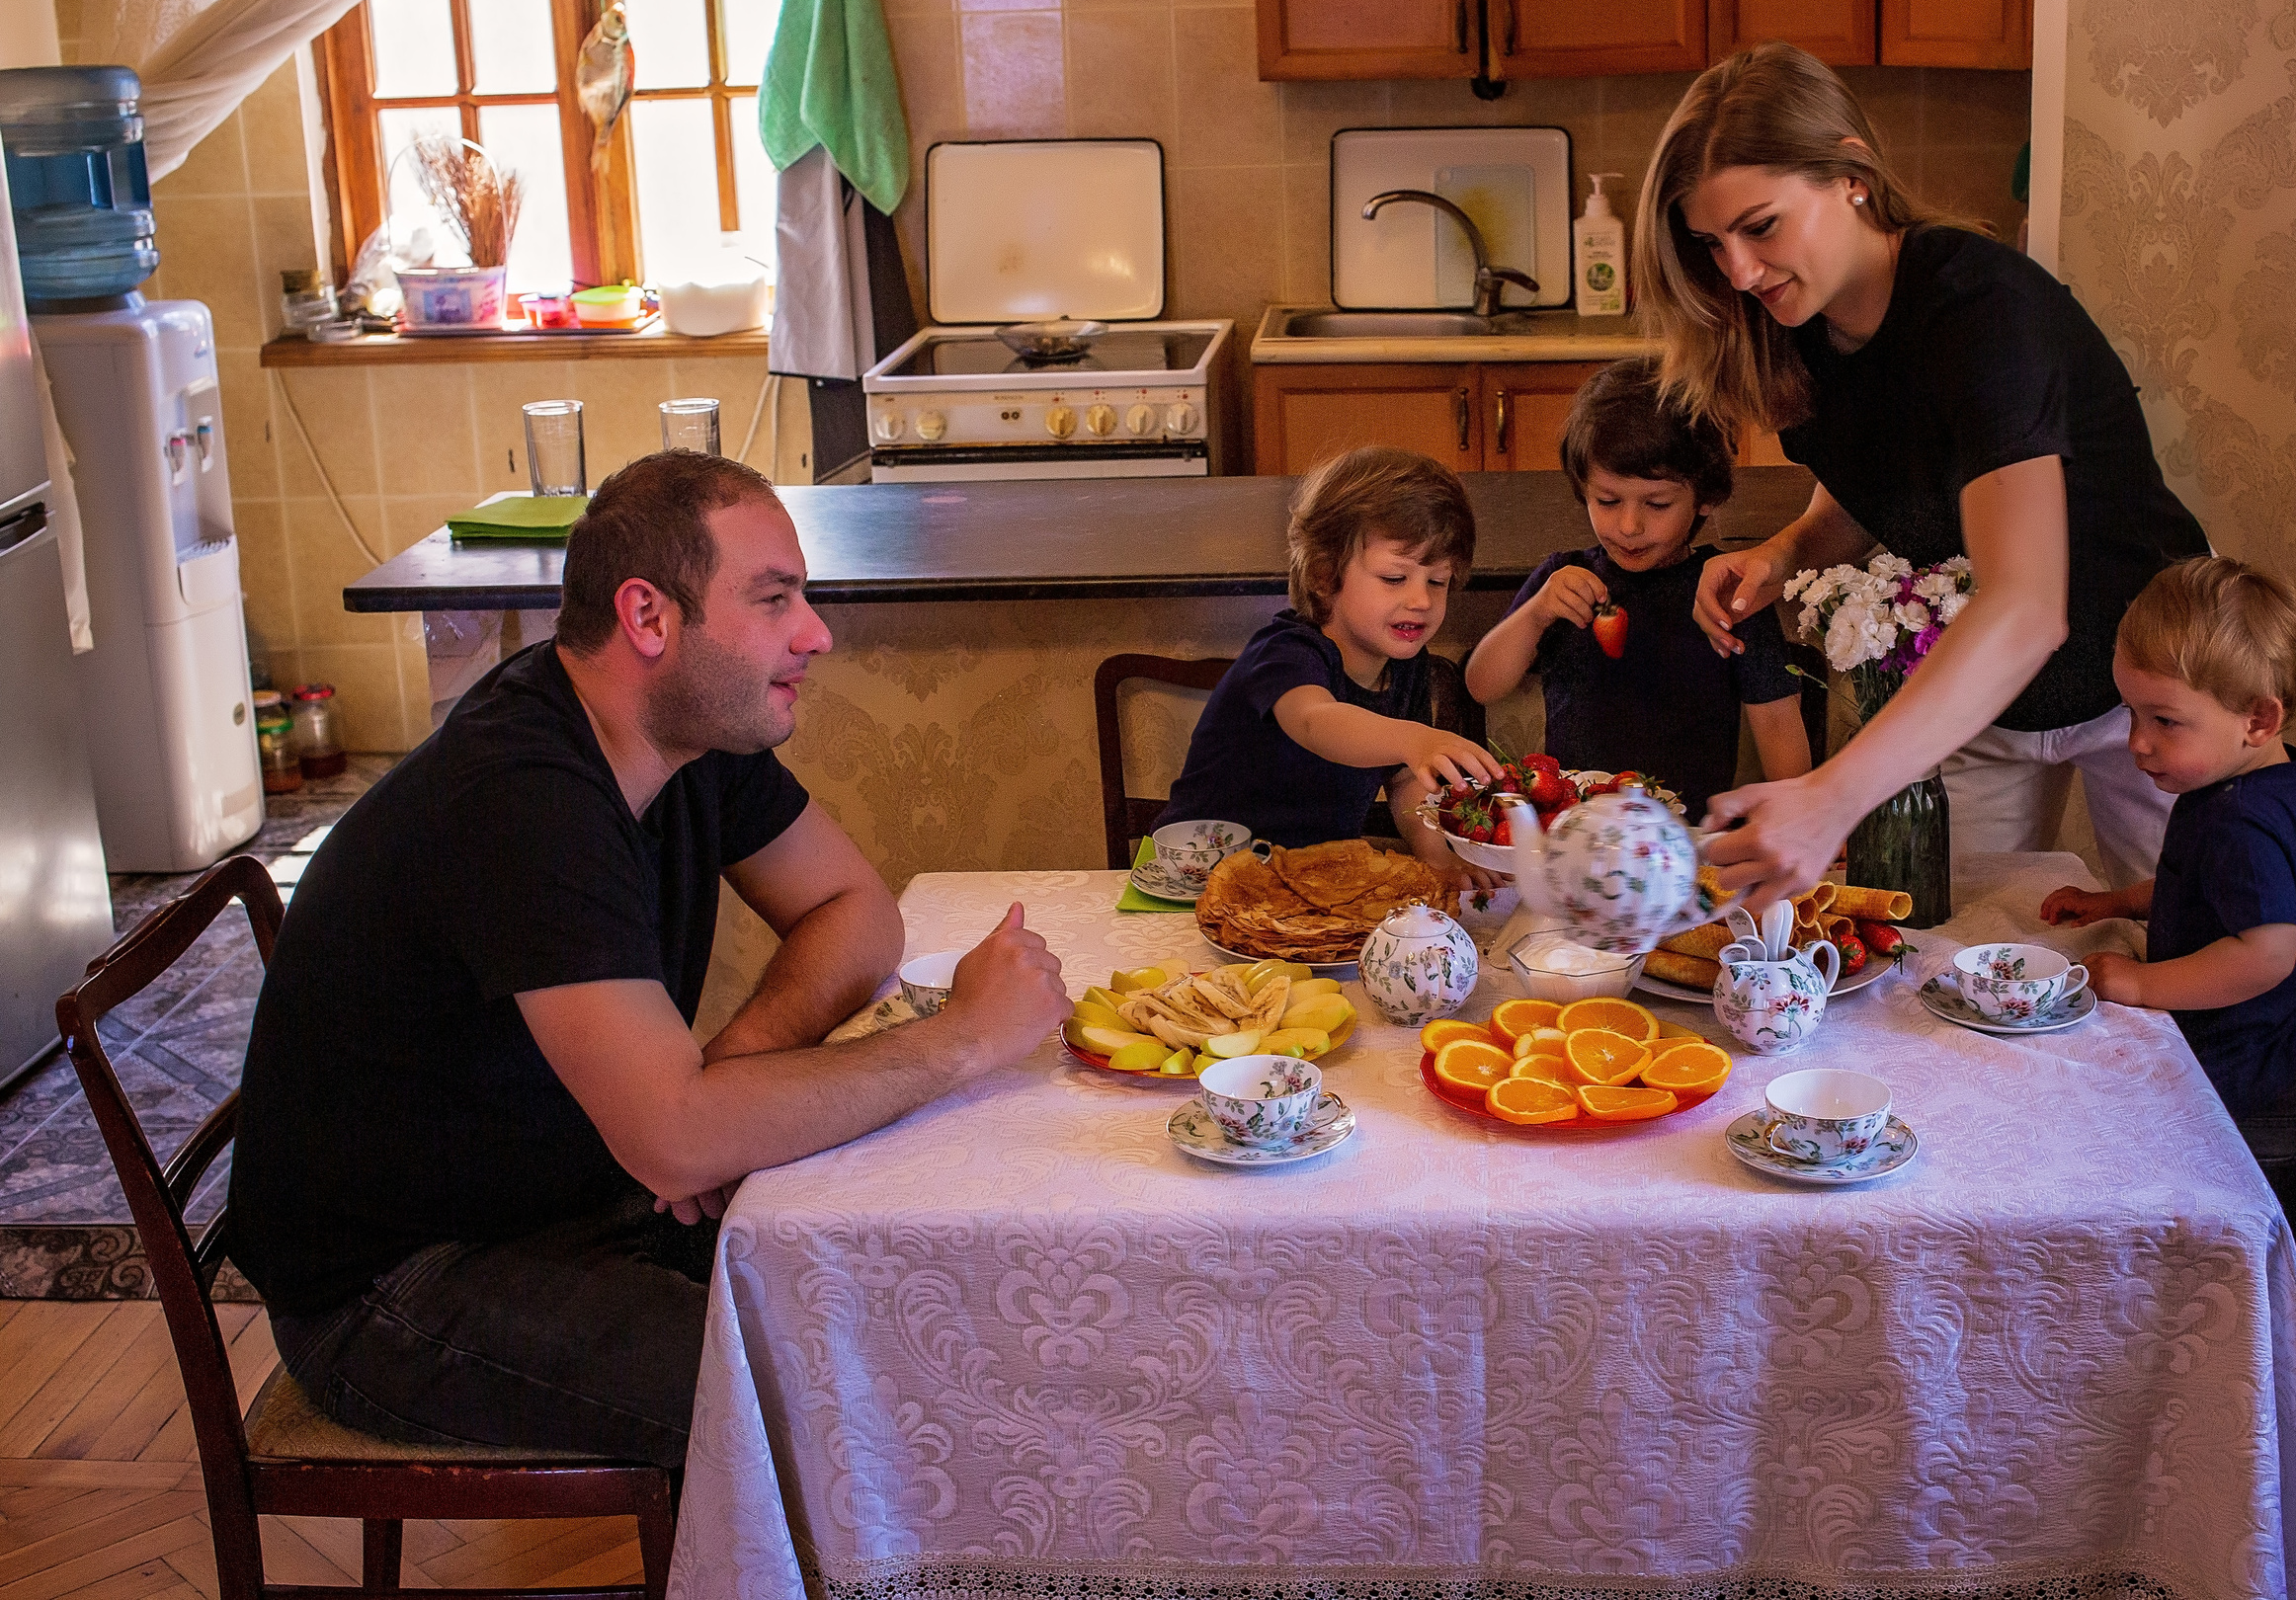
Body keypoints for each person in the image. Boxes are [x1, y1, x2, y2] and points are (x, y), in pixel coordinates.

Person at [226, 451, 1070, 1466]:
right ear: (649, 617)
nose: (816, 633)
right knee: (851, 1406)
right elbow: (674, 1143)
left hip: (572, 1193)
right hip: (401, 1284)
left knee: (920, 1288)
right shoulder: (526, 800)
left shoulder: (687, 736)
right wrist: (964, 1040)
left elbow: (854, 908)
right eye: (773, 599)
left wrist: (739, 1063)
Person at [1631, 42, 2209, 908]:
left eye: (1760, 226)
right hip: (1988, 697)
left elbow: (2025, 606)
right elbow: (1885, 477)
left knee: (2194, 954)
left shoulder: (1982, 310)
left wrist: (1831, 795)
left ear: (1852, 175)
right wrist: (1788, 550)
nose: (1741, 273)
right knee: (1931, 950)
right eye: (1713, 244)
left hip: (2151, 681)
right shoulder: (1796, 328)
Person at [2038, 558, 2296, 1422]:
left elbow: (2266, 950)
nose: (2137, 742)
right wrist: (2117, 902)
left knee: (2196, 1191)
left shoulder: (2246, 819)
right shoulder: (2248, 785)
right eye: (2133, 713)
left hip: (2267, 1076)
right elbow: (2197, 891)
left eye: (2163, 720)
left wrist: (2143, 982)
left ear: (2259, 718)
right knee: (2264, 1179)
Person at [1464, 358, 1811, 818]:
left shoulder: (1729, 591)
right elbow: (1482, 685)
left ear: (1705, 497)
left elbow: (1779, 726)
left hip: (1685, 841)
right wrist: (1537, 612)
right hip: (1573, 833)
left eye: (1658, 503)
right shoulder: (1562, 581)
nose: (1629, 526)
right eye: (1607, 501)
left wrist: (1803, 815)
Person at [1153, 446, 1503, 881]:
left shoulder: (1407, 666)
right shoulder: (1286, 650)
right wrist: (1412, 737)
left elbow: (1403, 782)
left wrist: (1436, 855)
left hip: (1303, 875)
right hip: (1196, 876)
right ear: (1323, 575)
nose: (1421, 601)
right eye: (1394, 578)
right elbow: (1315, 721)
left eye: (1438, 582)